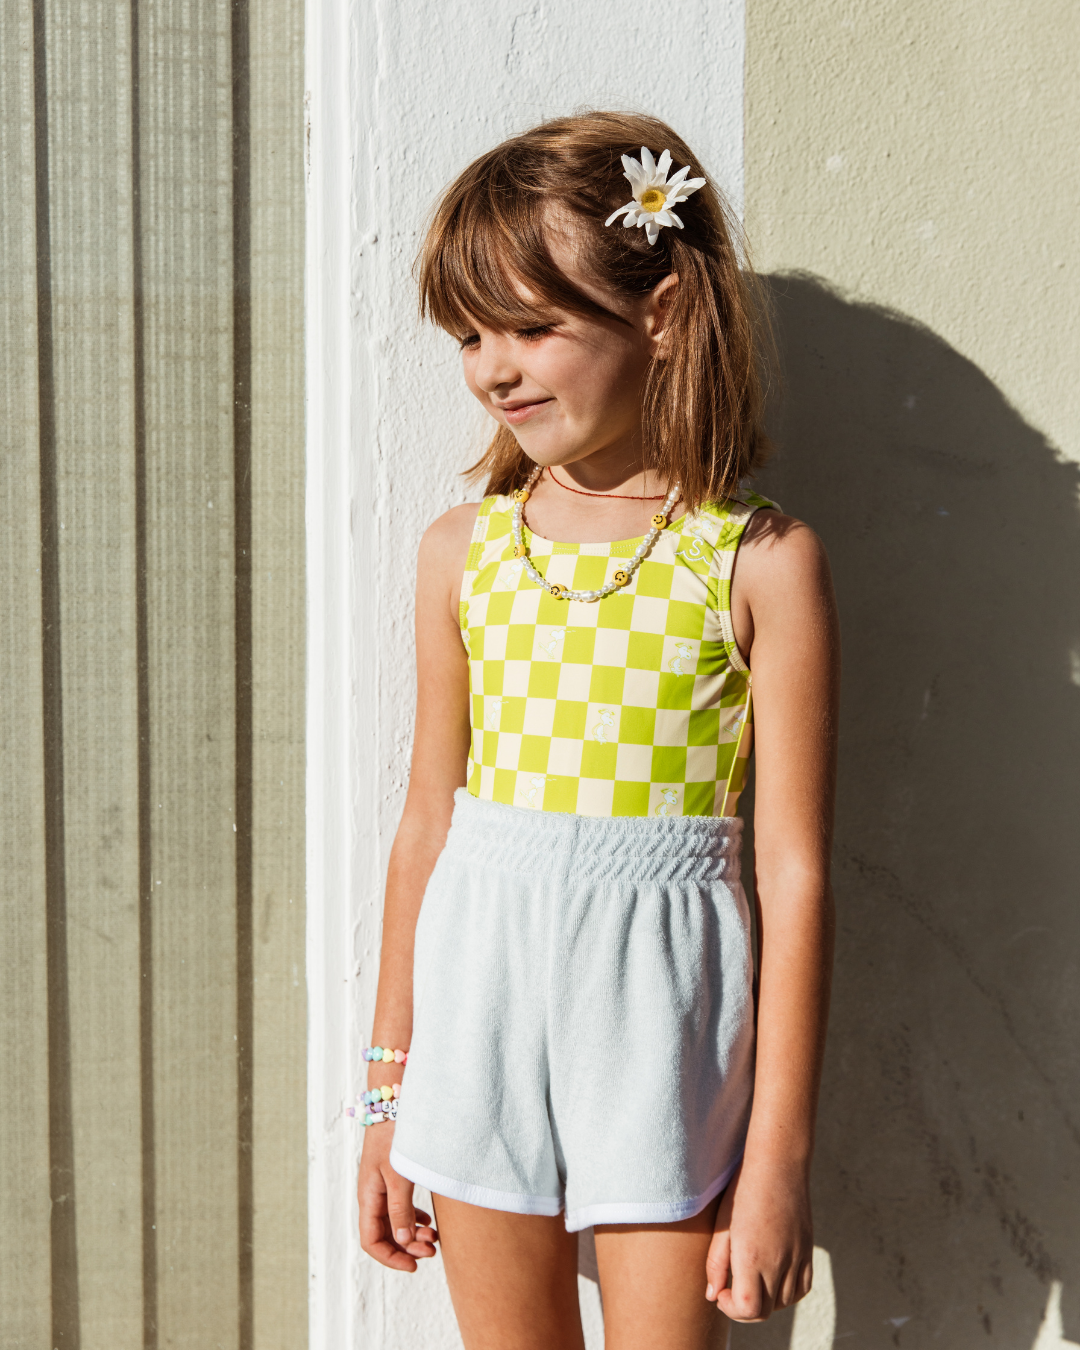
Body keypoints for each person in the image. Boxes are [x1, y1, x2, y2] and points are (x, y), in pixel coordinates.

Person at [356, 110, 839, 1350]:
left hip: (661, 1017)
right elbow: (426, 827)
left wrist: (777, 1161)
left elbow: (792, 873)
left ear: (662, 312)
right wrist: (384, 1103)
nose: (493, 369)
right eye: (470, 336)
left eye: (530, 328)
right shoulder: (463, 551)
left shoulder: (759, 561)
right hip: (478, 1001)